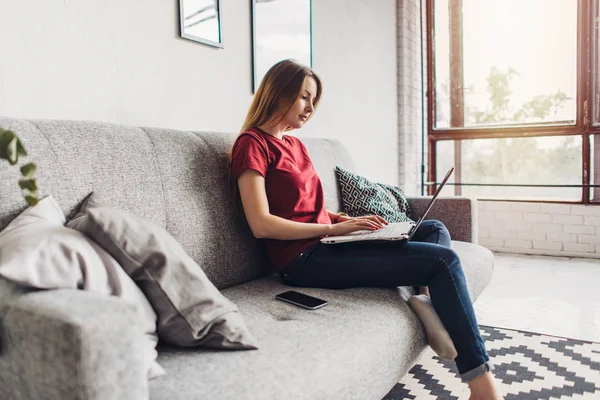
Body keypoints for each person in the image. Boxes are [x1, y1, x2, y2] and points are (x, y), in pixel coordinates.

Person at [228, 59, 504, 400]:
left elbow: (304, 207)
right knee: (442, 262)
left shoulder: (296, 145)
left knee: (432, 228)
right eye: (303, 97)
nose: (311, 108)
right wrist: (336, 230)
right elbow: (261, 223)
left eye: (314, 99)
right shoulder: (251, 144)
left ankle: (426, 302)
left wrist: (342, 220)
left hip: (325, 241)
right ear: (277, 93)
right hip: (301, 259)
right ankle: (482, 386)